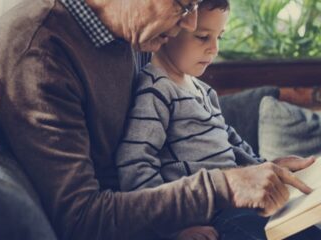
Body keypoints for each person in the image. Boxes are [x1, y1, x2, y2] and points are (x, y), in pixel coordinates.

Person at [0, 0, 314, 239]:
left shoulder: (136, 33)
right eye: (183, 5)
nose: (188, 25)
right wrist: (223, 185)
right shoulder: (41, 51)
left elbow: (193, 123)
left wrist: (261, 168)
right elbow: (80, 218)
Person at [115, 1, 319, 239]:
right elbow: (135, 164)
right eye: (203, 37)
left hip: (239, 203)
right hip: (208, 217)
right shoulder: (155, 91)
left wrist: (270, 168)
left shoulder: (203, 90)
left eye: (219, 37)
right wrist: (172, 230)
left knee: (307, 230)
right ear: (169, 30)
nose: (214, 49)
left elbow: (233, 144)